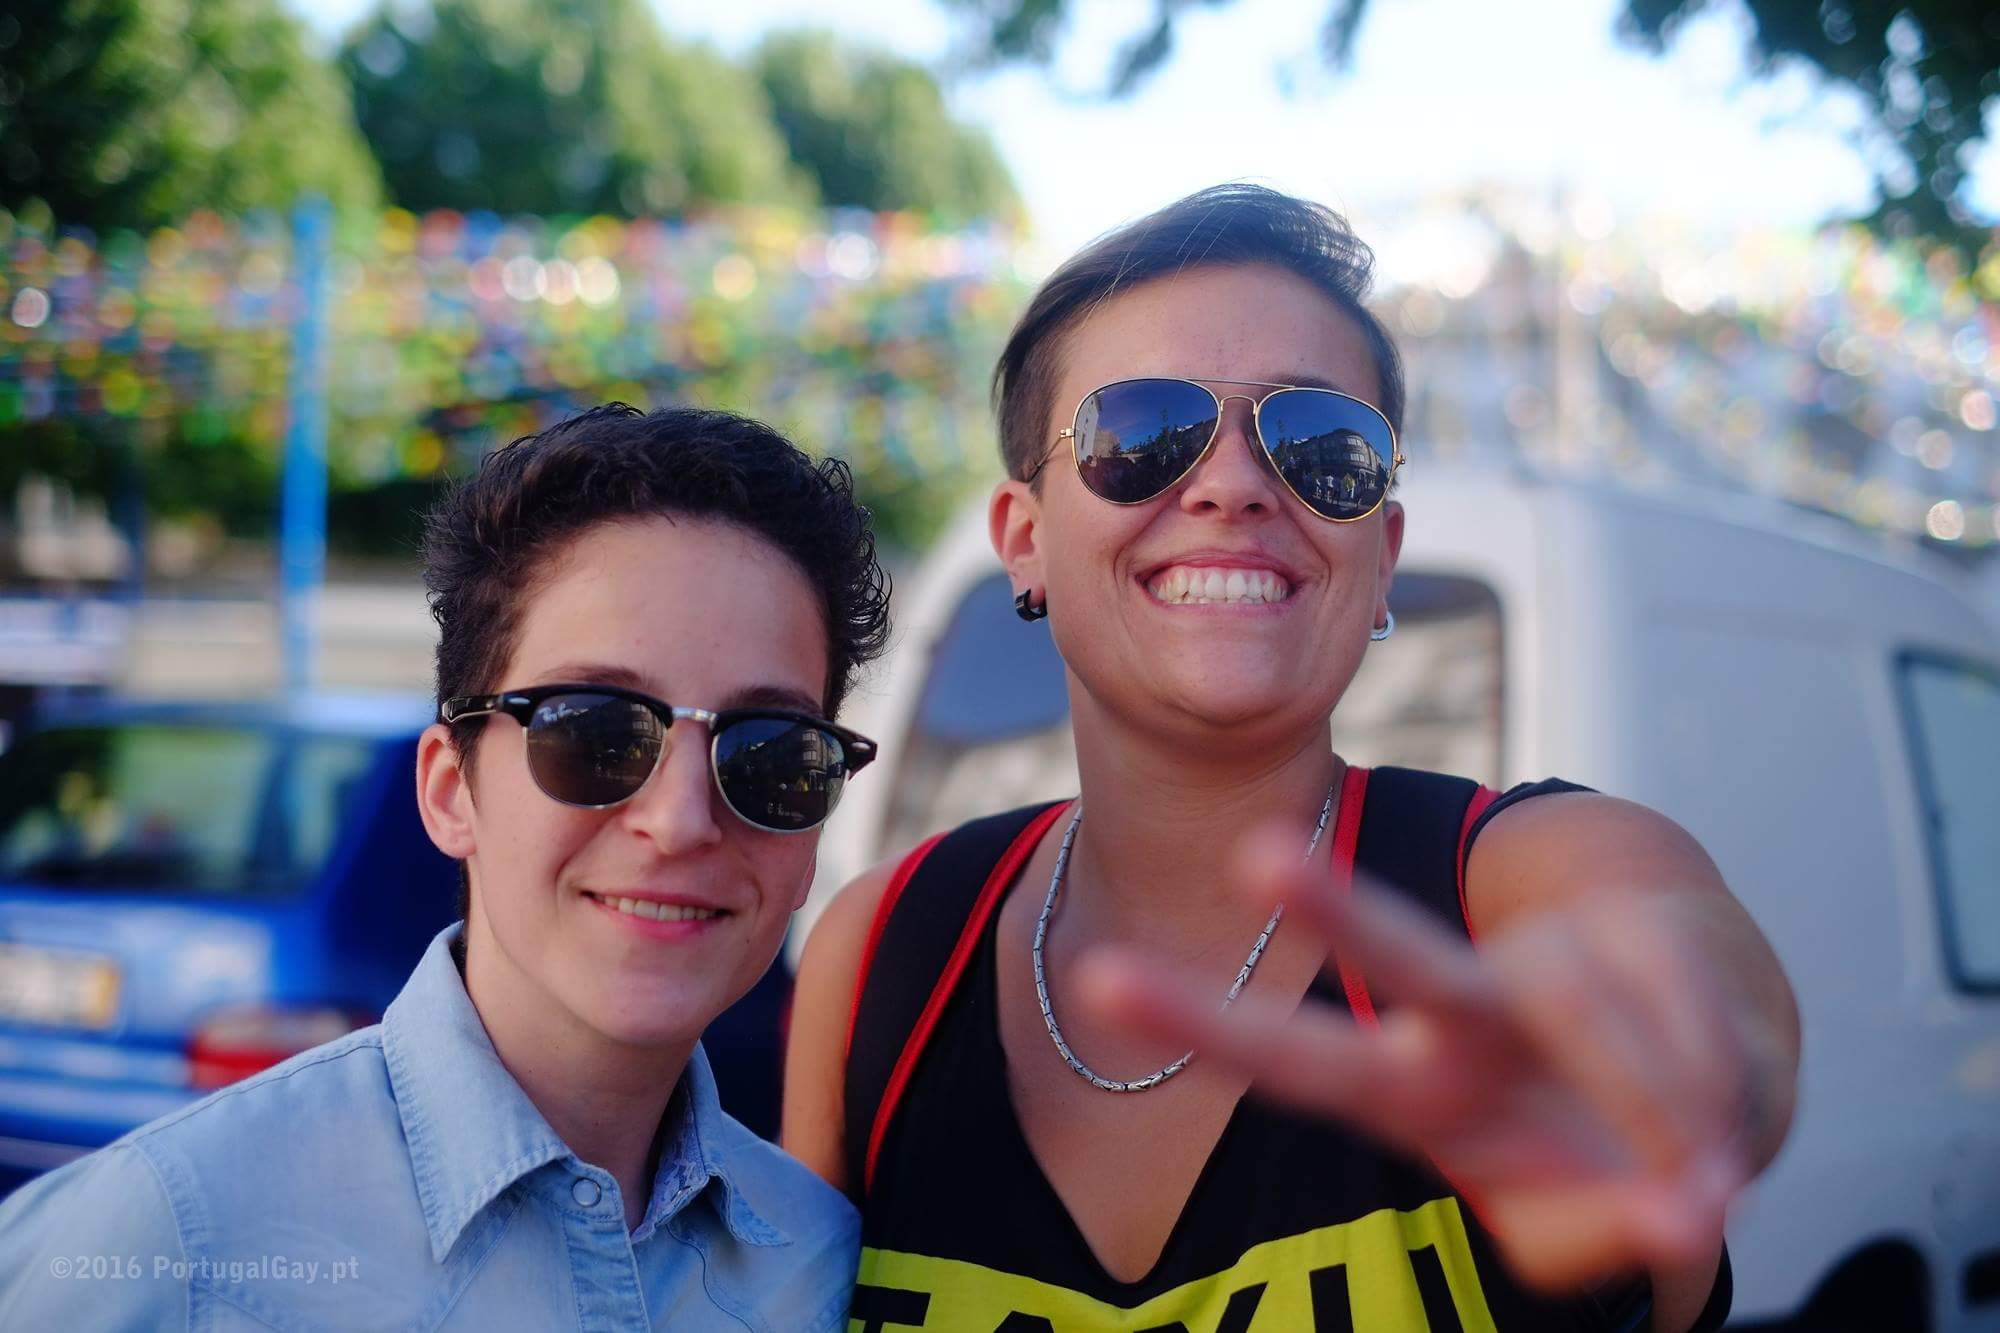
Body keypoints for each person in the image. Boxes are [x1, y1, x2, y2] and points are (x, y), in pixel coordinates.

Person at [783, 185, 1801, 1332]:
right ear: (1025, 541)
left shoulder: (1501, 883)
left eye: (1320, 444)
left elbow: (1669, 941)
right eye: (1141, 431)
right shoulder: (884, 954)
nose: (1230, 485)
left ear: (1380, 556)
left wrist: (1685, 1052)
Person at [0, 404, 886, 1331]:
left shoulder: (820, 1267)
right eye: (593, 731)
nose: (680, 820)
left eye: (771, 753)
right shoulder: (170, 1242)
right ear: (450, 789)